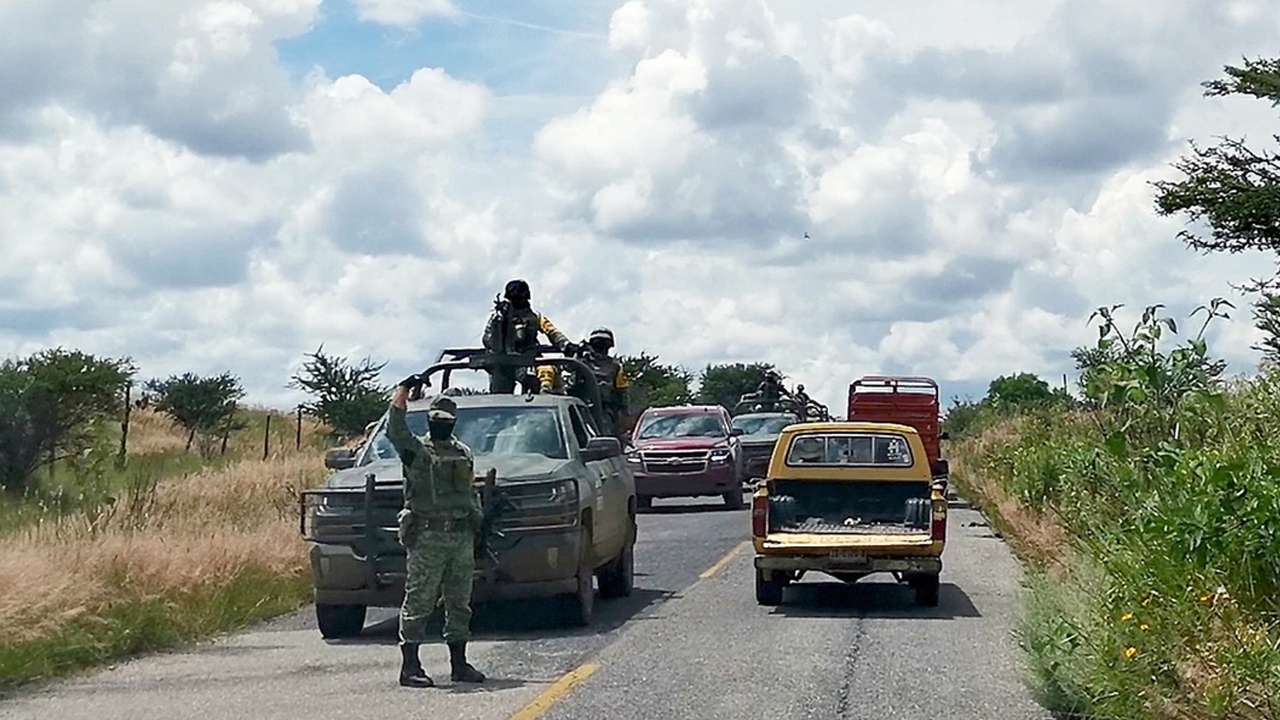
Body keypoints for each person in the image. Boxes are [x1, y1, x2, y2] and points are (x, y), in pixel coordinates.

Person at [386, 378, 486, 688]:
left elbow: (470, 492)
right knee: (419, 601)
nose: (441, 424)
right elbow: (395, 429)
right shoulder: (416, 450)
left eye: (446, 420)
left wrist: (476, 523)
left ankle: (459, 663)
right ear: (429, 420)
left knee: (459, 602)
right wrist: (402, 391)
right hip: (427, 537)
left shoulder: (463, 452)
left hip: (459, 537)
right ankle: (410, 666)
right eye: (436, 419)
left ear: (454, 422)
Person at [482, 279, 576, 393]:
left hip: (529, 359)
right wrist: (500, 327)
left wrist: (566, 346)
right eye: (514, 299)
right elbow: (487, 339)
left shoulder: (535, 317)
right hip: (504, 361)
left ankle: (543, 394)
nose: (517, 302)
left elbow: (552, 332)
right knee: (499, 394)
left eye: (520, 298)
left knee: (542, 375)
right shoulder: (498, 318)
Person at [579, 327, 630, 438]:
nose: (600, 349)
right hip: (582, 407)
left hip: (605, 408)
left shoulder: (615, 366)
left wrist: (623, 414)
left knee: (606, 436)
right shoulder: (581, 361)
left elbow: (622, 391)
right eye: (598, 345)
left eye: (604, 345)